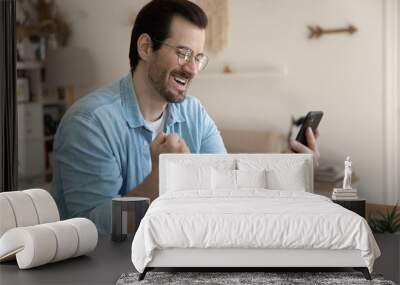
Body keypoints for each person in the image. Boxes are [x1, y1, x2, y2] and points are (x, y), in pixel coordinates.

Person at [52, 0, 320, 234]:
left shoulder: (193, 113)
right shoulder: (89, 123)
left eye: (198, 58)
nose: (192, 69)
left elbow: (229, 190)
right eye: (183, 53)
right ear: (145, 47)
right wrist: (160, 178)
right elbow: (93, 231)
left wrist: (290, 169)